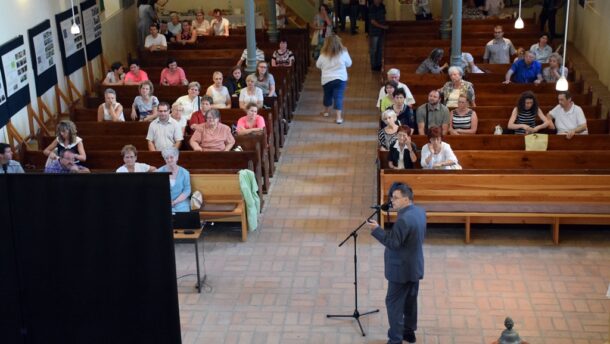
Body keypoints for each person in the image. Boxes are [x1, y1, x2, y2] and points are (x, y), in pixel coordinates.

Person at [366, 182, 426, 344]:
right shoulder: (420, 212)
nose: (392, 201)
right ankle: (409, 333)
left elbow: (393, 243)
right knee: (410, 301)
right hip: (415, 266)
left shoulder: (403, 220)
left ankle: (395, 339)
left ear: (406, 199)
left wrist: (377, 230)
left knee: (394, 305)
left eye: (396, 198)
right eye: (391, 197)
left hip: (401, 270)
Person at [316, 34, 352, 124]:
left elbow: (318, 65)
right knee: (338, 97)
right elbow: (349, 64)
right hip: (340, 79)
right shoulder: (343, 53)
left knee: (327, 95)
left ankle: (326, 112)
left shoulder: (323, 54)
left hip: (327, 79)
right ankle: (338, 118)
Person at [156, 147, 191, 213]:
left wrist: (175, 202)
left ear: (177, 157)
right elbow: (156, 190)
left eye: (171, 157)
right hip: (163, 202)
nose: (169, 160)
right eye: (166, 158)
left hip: (180, 202)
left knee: (181, 214)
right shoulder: (158, 172)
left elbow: (187, 190)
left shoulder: (185, 172)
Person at [369, 0, 389, 71]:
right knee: (374, 49)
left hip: (381, 32)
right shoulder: (372, 8)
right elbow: (372, 21)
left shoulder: (382, 6)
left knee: (380, 49)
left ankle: (379, 64)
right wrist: (383, 27)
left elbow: (384, 16)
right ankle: (374, 65)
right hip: (374, 32)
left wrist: (385, 24)